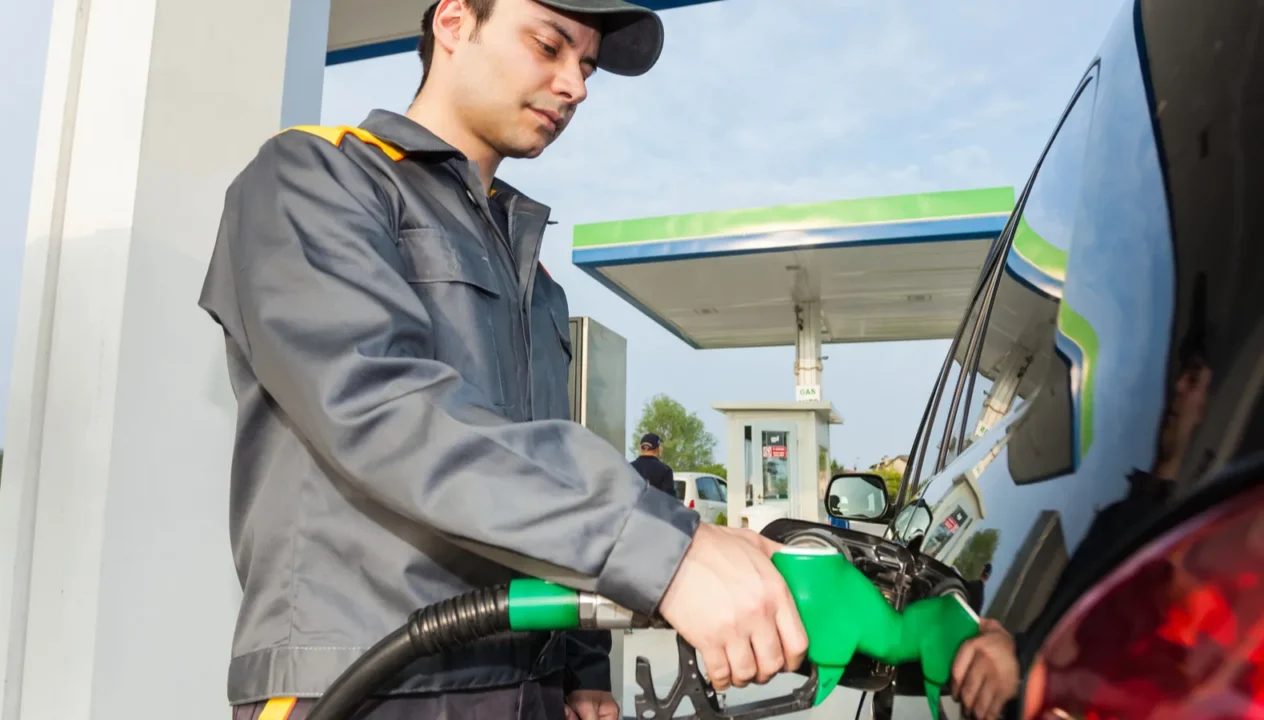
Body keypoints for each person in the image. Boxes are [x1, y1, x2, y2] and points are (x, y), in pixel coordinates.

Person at [198, 0, 1020, 717]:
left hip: (524, 674)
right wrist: (667, 549)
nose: (576, 86)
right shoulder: (314, 177)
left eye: (586, 64)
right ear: (454, 21)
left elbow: (539, 454)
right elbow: (380, 408)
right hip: (367, 676)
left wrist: (582, 667)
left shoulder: (538, 281)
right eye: (549, 45)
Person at [630, 433, 676, 497]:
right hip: (655, 507)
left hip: (632, 506)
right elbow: (669, 500)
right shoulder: (665, 470)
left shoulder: (629, 468)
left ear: (640, 448)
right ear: (659, 449)